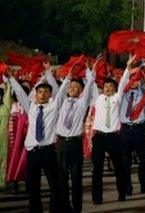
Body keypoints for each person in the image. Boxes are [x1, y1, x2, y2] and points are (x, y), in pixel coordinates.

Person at [6, 67, 69, 213]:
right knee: (34, 187)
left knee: (54, 185)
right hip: (33, 152)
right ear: (36, 94)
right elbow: (21, 93)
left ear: (49, 95)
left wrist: (56, 75)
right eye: (40, 91)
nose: (42, 94)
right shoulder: (31, 107)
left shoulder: (53, 107)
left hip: (48, 152)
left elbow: (60, 94)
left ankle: (56, 210)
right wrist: (12, 78)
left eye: (46, 92)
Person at [90, 57, 136, 205]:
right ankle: (97, 197)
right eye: (106, 86)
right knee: (97, 169)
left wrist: (128, 67)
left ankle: (121, 192)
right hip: (99, 137)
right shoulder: (98, 98)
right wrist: (92, 69)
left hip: (114, 137)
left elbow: (123, 83)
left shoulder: (118, 97)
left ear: (115, 89)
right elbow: (90, 84)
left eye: (111, 87)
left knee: (118, 167)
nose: (108, 89)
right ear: (102, 88)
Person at [56, 67, 96, 213]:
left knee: (76, 177)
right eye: (71, 86)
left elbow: (90, 83)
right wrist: (68, 77)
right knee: (62, 178)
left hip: (74, 143)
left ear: (81, 91)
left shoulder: (81, 103)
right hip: (60, 143)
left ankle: (77, 208)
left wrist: (89, 70)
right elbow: (59, 91)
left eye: (76, 87)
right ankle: (65, 207)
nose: (73, 89)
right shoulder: (60, 102)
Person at [120, 75, 145, 195]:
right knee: (125, 160)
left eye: (136, 80)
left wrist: (144, 80)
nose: (133, 82)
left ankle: (143, 184)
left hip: (139, 129)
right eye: (131, 79)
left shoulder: (144, 94)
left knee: (143, 159)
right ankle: (127, 186)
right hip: (126, 129)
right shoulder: (122, 94)